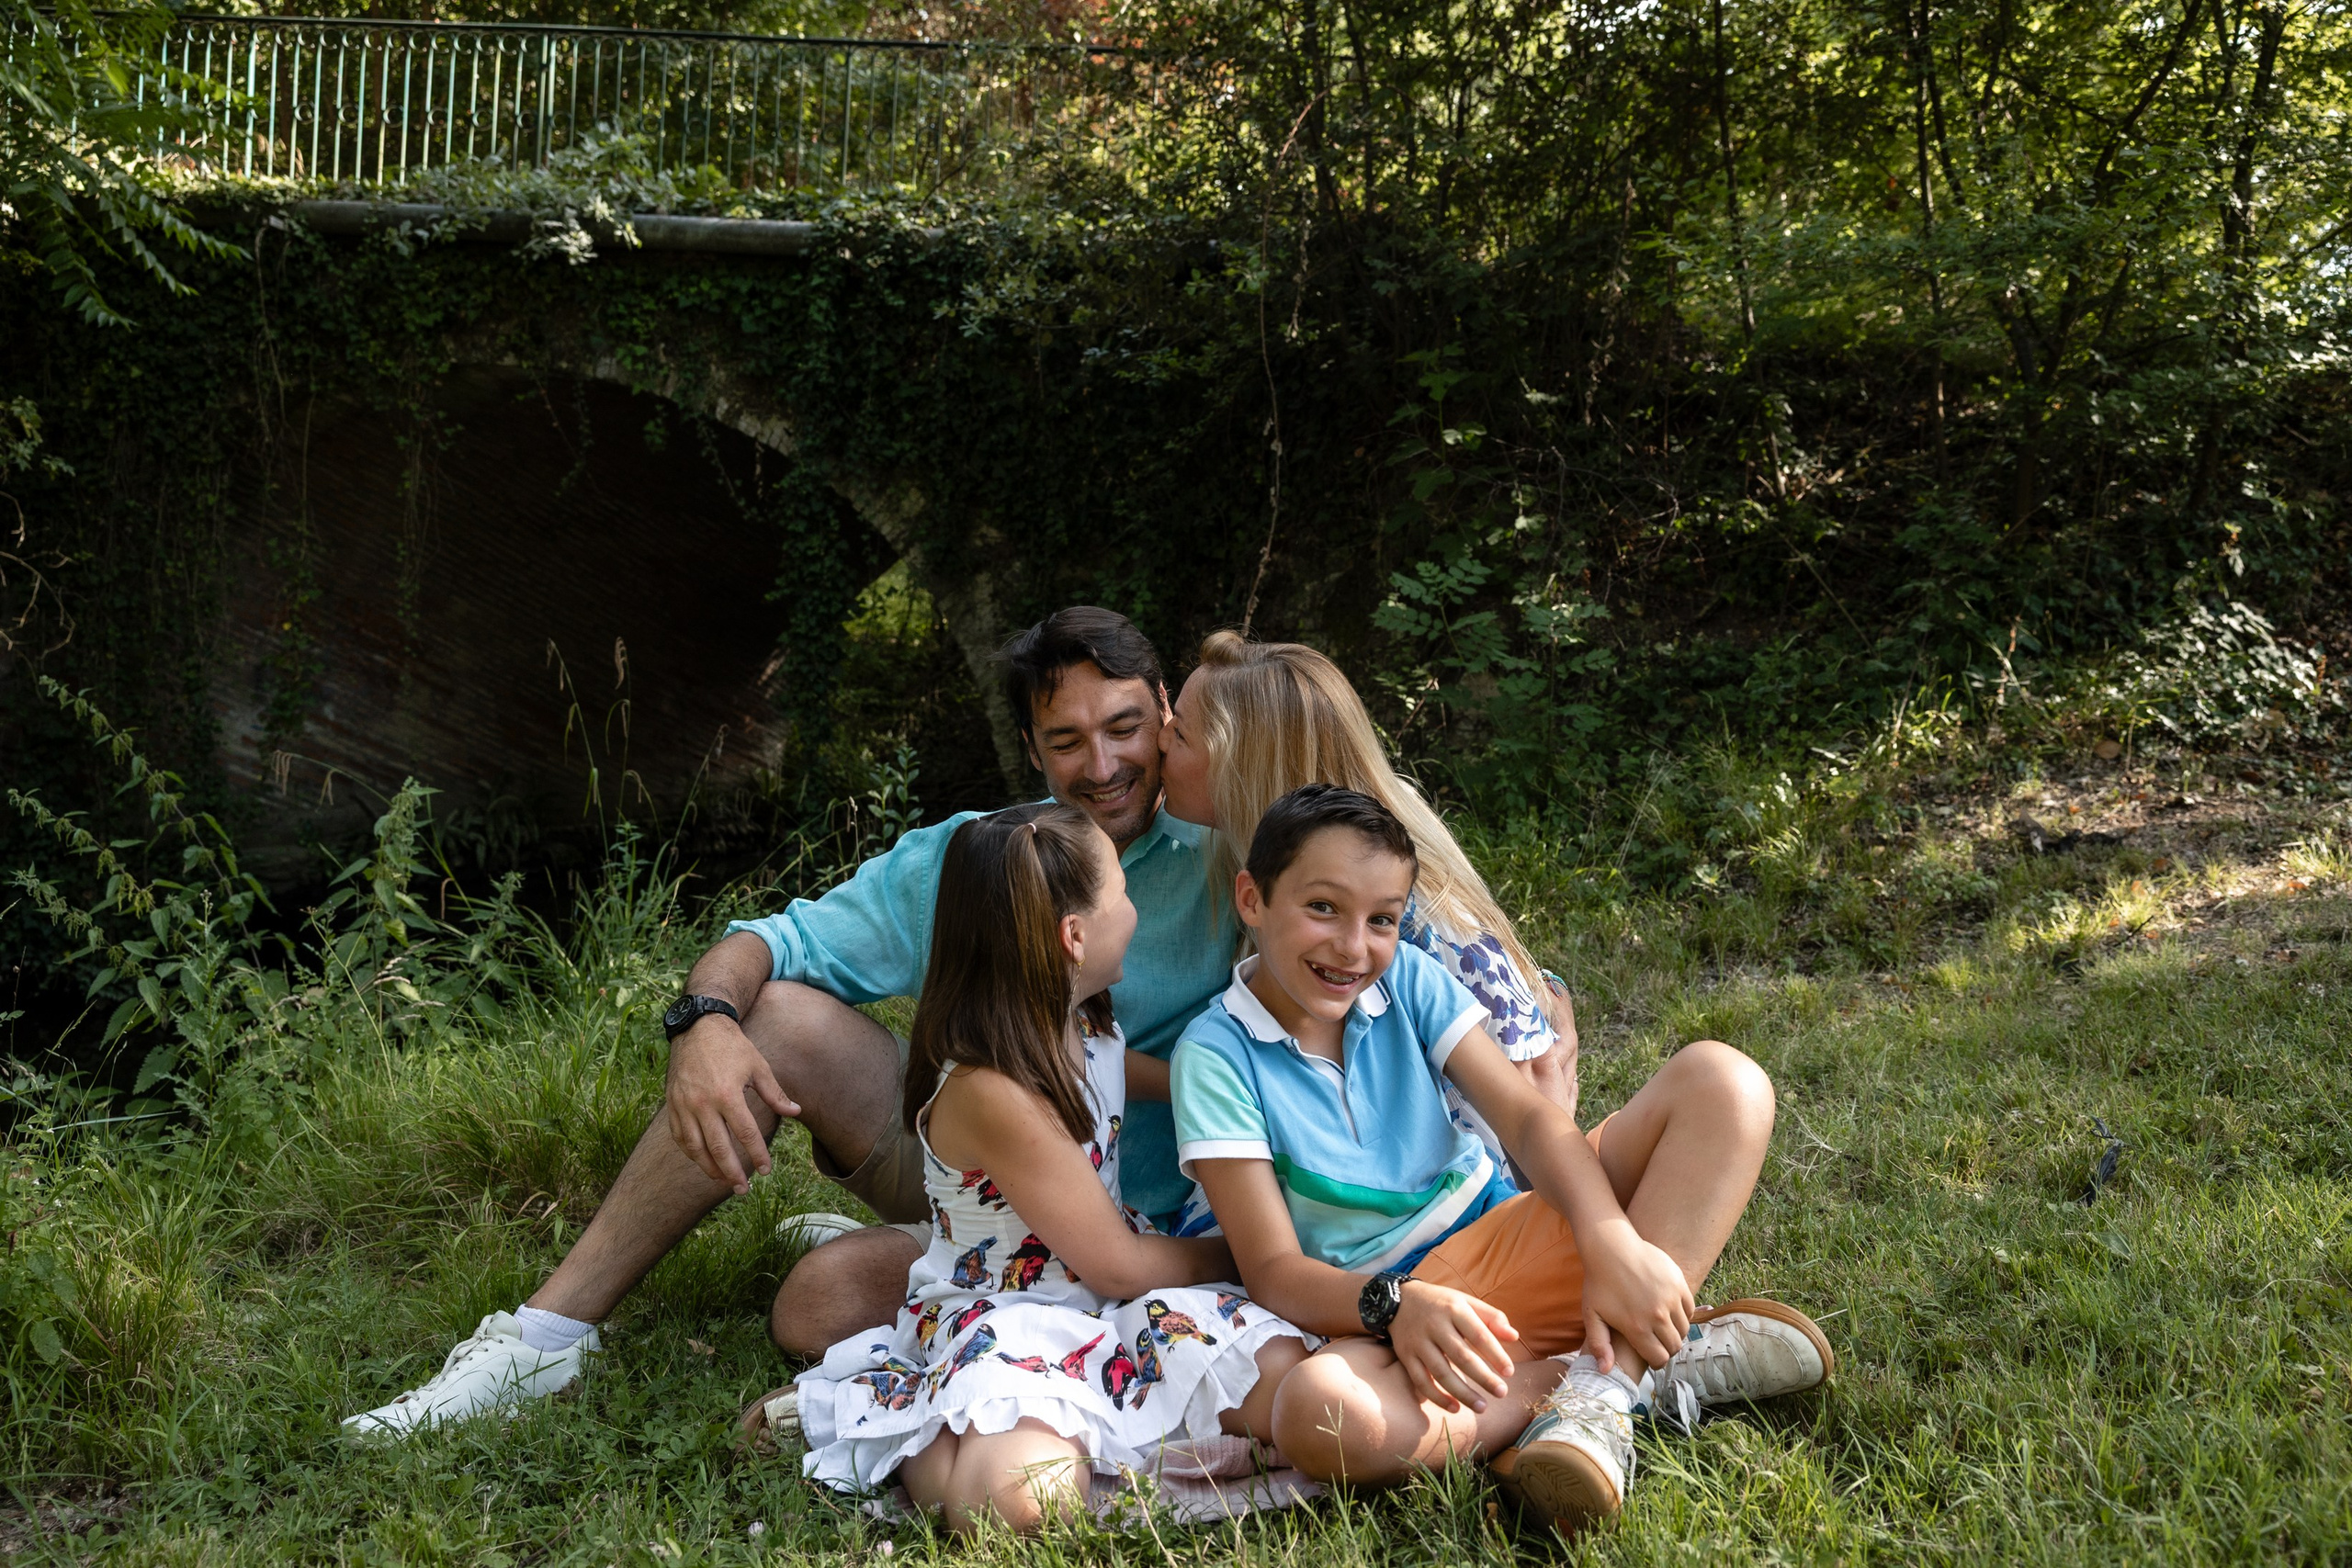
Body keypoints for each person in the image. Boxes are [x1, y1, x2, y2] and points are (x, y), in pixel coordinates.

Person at [344, 608, 1240, 1438]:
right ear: (1028, 747)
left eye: (1123, 726)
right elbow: (768, 941)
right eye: (1065, 740)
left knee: (822, 1298)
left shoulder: (1231, 846)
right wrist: (702, 1025)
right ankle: (543, 1337)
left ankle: (922, 1283)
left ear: (1166, 712)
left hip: (1171, 1211)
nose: (1102, 764)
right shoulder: (983, 858)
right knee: (769, 1020)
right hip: (1008, 1165)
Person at [1173, 786, 1832, 1533]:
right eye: (1323, 908)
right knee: (1318, 1416)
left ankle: (1600, 1392)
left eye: (1383, 919)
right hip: (1405, 1321)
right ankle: (1624, 1374)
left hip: (1513, 1241)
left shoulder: (1406, 977)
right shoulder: (1213, 1053)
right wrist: (1397, 1304)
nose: (1354, 947)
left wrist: (1608, 1235)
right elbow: (1272, 1270)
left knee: (1725, 1081)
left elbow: (1525, 1120)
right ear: (1252, 898)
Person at [785, 803, 1311, 1533]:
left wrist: (1225, 1082)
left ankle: (1080, 1425)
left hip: (1102, 1295)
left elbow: (1114, 1070)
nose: (1133, 905)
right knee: (1023, 1500)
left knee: (1292, 1381)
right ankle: (900, 1420)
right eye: (1122, 891)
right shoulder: (990, 1090)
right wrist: (1254, 1257)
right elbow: (1124, 1265)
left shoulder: (1079, 1012)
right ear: (1074, 936)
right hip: (1013, 1314)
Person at [1158, 629, 1577, 1165]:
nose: (1160, 740)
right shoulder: (1270, 868)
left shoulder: (1414, 921)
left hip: (1440, 1207)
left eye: (1183, 735)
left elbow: (1532, 1111)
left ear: (1241, 769)